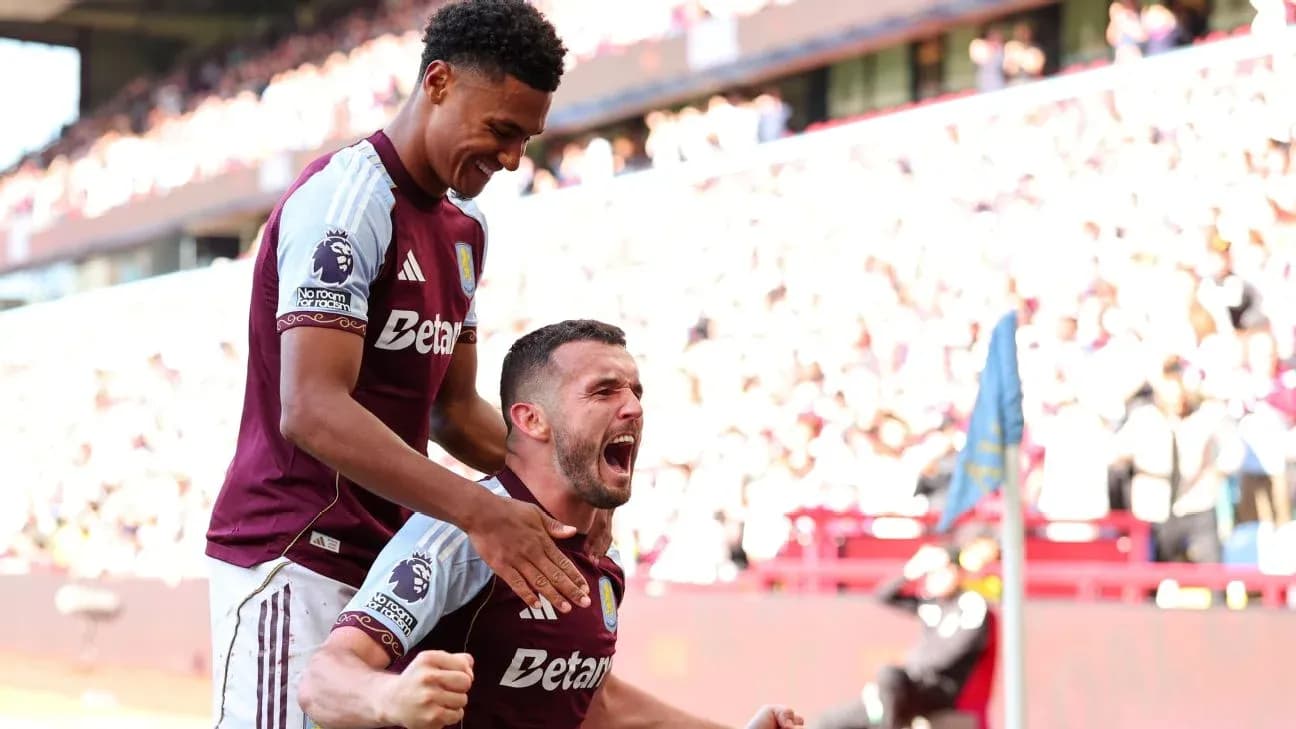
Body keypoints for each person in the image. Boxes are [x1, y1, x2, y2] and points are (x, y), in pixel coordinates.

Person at [205, 3, 610, 727]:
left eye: (526, 138)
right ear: (439, 82)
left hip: (386, 566)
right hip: (295, 553)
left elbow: (454, 412)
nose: (512, 158)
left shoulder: (465, 230)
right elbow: (311, 409)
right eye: (502, 129)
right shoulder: (345, 201)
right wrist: (480, 510)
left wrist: (566, 483)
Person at [298, 320, 804, 729]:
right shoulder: (463, 533)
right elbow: (323, 678)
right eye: (604, 392)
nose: (633, 408)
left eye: (636, 392)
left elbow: (594, 705)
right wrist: (390, 697)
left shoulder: (602, 554)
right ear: (531, 420)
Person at [811, 545, 996, 729]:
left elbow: (960, 647)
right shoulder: (931, 603)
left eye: (941, 571)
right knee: (828, 721)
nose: (935, 578)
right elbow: (883, 595)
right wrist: (911, 570)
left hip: (940, 688)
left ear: (957, 572)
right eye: (931, 573)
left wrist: (915, 666)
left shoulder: (970, 604)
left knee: (890, 675)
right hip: (908, 685)